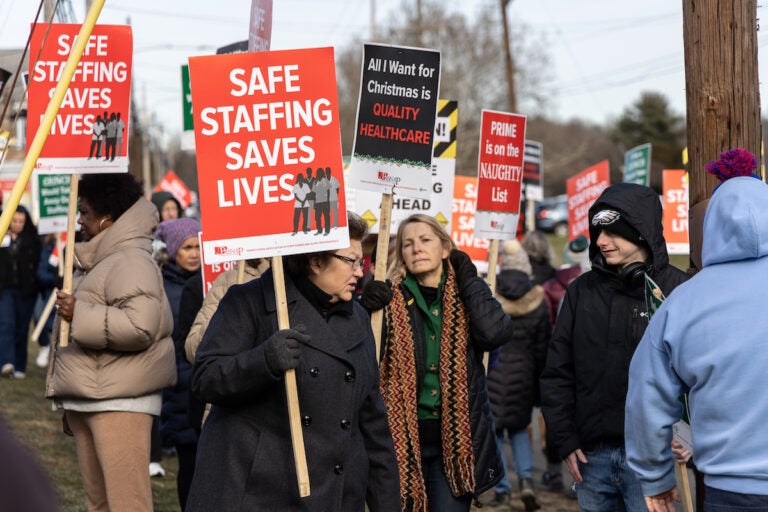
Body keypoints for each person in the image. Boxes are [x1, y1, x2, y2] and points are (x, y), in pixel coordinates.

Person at [186, 212, 400, 511]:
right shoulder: (249, 300)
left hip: (333, 493)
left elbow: (371, 421)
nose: (359, 272)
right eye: (351, 261)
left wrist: (386, 502)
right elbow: (206, 377)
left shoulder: (359, 318)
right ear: (316, 262)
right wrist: (263, 361)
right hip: (259, 491)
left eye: (360, 262)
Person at [626, 148, 768, 512]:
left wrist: (655, 477)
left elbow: (647, 398)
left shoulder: (683, 303)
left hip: (730, 491)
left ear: (712, 226)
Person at [540, 182, 688, 511]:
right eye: (598, 233)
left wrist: (689, 437)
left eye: (613, 232)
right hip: (591, 459)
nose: (601, 241)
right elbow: (557, 373)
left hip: (656, 459)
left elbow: (701, 376)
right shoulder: (580, 292)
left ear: (640, 233)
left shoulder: (682, 291)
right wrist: (565, 440)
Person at [363, 213, 514, 512]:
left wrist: (469, 279)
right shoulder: (389, 298)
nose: (416, 248)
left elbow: (495, 333)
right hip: (400, 446)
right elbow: (365, 358)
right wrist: (363, 311)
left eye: (425, 240)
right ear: (401, 254)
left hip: (456, 447)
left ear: (445, 249)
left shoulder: (469, 292)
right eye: (407, 244)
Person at [49, 172, 176, 512]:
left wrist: (80, 314)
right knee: (99, 503)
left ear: (107, 219)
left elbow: (141, 327)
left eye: (85, 212)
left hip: (121, 403)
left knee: (127, 504)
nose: (79, 219)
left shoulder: (132, 261)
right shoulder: (97, 261)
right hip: (92, 398)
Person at [485, 239, 550, 511]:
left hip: (495, 372)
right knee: (521, 429)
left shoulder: (489, 293)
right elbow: (542, 346)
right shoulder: (538, 299)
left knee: (496, 432)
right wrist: (539, 384)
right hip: (525, 373)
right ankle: (526, 481)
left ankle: (502, 490)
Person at [154, 217, 202, 510]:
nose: (195, 253)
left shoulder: (214, 283)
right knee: (190, 466)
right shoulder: (161, 288)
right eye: (187, 247)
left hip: (206, 385)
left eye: (198, 246)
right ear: (173, 251)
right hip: (180, 390)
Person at [0, 204, 42, 378]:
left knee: (22, 328)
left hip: (26, 292)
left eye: (21, 221)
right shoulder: (2, 236)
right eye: (14, 220)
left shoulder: (31, 240)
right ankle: (6, 363)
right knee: (6, 325)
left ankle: (19, 366)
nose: (17, 224)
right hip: (5, 290)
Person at [312, 167, 331, 236]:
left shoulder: (325, 180)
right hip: (317, 202)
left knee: (326, 217)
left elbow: (328, 190)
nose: (318, 174)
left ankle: (327, 231)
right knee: (317, 218)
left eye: (319, 172)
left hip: (325, 202)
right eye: (318, 173)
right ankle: (319, 231)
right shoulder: (315, 181)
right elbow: (314, 192)